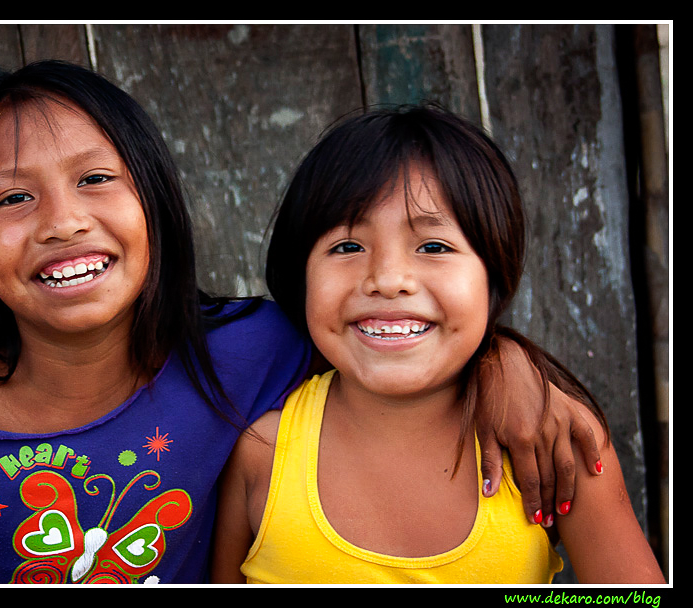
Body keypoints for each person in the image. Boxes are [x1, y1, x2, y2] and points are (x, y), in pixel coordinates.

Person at [0, 62, 600, 585]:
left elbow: (394, 332)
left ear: (155, 210)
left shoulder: (254, 350)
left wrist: (506, 362)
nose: (62, 222)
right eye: (12, 198)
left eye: (96, 180)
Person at [211, 104, 665, 584]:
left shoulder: (550, 438)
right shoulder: (263, 452)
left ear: (494, 275)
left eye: (433, 247)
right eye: (347, 246)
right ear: (301, 276)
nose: (387, 280)